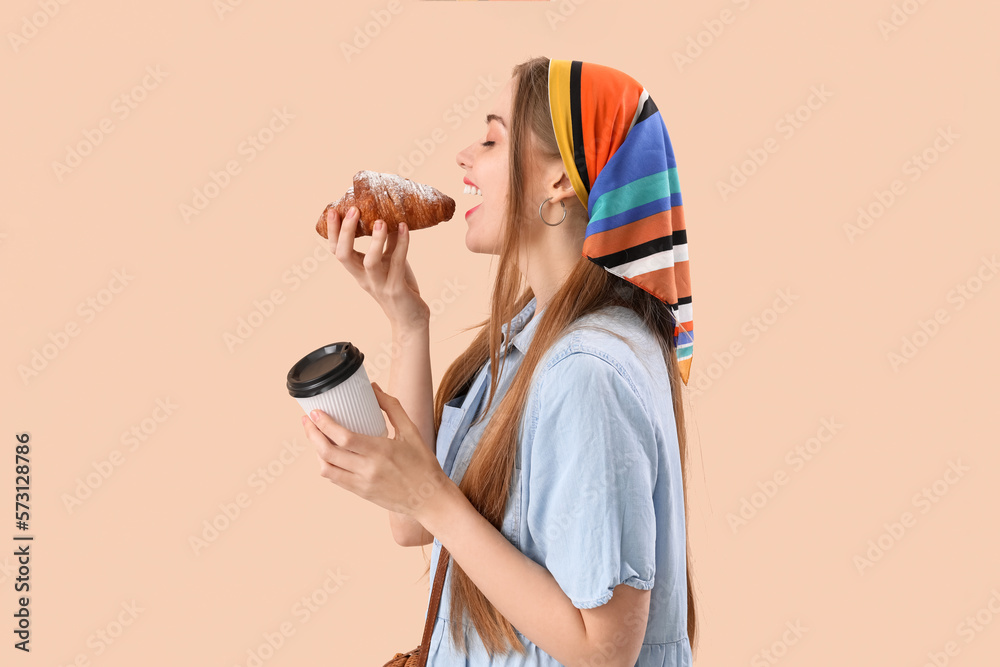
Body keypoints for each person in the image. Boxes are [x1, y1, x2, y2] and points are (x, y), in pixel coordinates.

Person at [302, 56, 696, 666]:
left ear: (560, 179)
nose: (465, 156)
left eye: (492, 139)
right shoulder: (526, 343)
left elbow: (605, 652)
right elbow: (415, 525)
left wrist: (432, 497)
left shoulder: (586, 371)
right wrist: (408, 319)